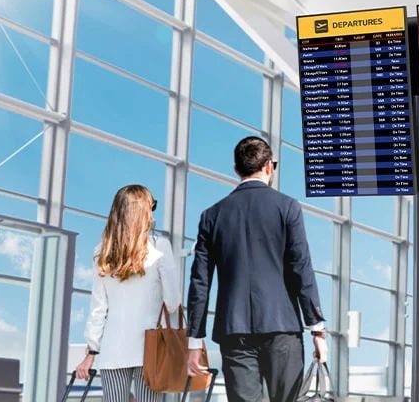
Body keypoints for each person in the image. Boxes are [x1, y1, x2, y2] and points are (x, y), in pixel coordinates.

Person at [186, 136, 328, 402]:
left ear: (236, 170)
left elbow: (200, 283)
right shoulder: (287, 207)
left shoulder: (212, 215)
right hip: (281, 326)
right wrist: (317, 329)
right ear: (268, 167)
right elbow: (302, 269)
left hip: (234, 329)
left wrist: (195, 341)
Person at [75, 185, 181, 402]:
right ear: (144, 211)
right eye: (152, 206)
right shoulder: (159, 247)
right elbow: (173, 302)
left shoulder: (102, 251)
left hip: (112, 351)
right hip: (151, 351)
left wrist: (91, 353)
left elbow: (98, 309)